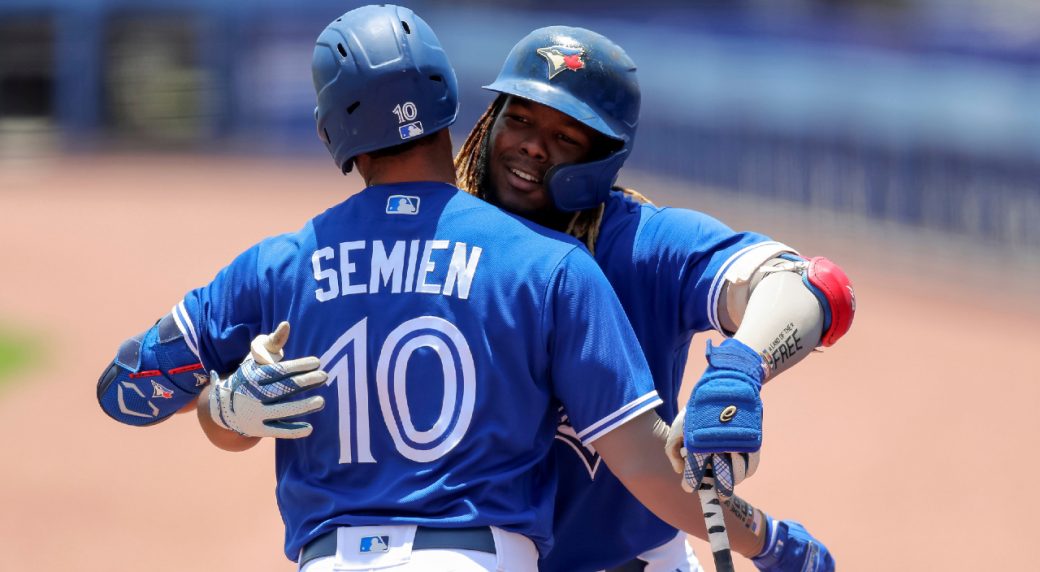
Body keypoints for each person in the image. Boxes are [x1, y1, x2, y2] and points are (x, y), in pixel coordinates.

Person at [96, 7, 777, 571]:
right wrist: (772, 543)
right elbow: (650, 467)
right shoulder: (551, 265)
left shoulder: (281, 265)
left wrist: (221, 408)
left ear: (332, 132)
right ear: (453, 101)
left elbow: (126, 390)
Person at [454, 26, 855, 572]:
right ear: (490, 120)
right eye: (520, 118)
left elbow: (810, 286)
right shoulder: (438, 241)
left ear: (603, 158)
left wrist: (739, 367)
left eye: (566, 136)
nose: (531, 144)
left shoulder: (642, 244)